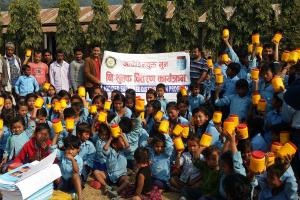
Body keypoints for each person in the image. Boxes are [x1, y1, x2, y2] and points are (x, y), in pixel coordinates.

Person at [52, 135, 83, 200]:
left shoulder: (79, 160)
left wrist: (72, 160)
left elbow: (76, 171)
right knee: (54, 169)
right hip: (62, 182)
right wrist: (56, 135)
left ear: (78, 149)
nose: (70, 151)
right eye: (68, 148)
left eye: (72, 149)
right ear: (65, 148)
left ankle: (80, 197)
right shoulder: (62, 154)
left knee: (76, 176)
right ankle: (60, 191)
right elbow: (52, 150)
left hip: (72, 183)